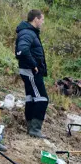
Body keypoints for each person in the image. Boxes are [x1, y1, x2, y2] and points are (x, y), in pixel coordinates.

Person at [15, 10, 49, 138]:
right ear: (36, 19)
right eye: (42, 19)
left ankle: (31, 129)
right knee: (42, 98)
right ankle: (35, 130)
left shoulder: (28, 32)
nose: (42, 22)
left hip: (29, 70)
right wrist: (34, 64)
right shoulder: (28, 32)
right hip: (31, 71)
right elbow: (22, 50)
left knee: (31, 98)